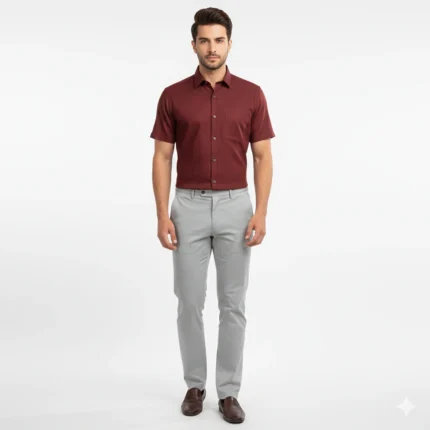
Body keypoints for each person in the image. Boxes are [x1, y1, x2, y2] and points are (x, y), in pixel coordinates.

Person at [150, 7, 275, 424]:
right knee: (188, 302)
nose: (212, 48)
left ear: (230, 44)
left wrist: (260, 211)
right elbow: (162, 157)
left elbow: (262, 156)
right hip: (187, 206)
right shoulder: (173, 96)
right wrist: (162, 215)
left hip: (237, 206)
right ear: (194, 45)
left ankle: (229, 392)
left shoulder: (252, 95)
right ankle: (194, 385)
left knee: (233, 304)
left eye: (219, 40)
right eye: (204, 40)